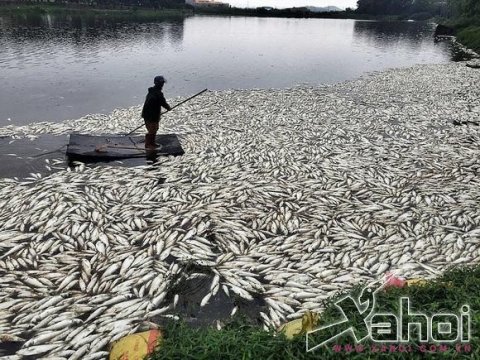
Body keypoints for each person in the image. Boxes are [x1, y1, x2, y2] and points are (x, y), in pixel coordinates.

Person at [141, 75, 171, 149]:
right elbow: (163, 103)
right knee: (152, 130)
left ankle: (152, 143)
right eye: (162, 83)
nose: (162, 84)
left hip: (148, 114)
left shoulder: (152, 91)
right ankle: (148, 145)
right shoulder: (157, 93)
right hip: (151, 115)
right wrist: (168, 108)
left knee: (154, 129)